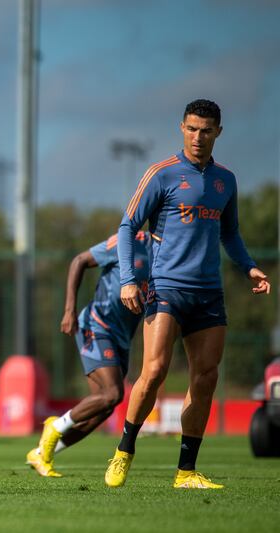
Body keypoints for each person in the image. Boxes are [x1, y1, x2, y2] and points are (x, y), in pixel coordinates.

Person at [104, 99, 271, 489]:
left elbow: (230, 232)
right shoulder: (161, 174)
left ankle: (186, 472)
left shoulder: (225, 181)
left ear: (218, 133)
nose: (198, 137)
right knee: (155, 371)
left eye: (206, 130)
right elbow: (128, 226)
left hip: (209, 293)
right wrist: (129, 279)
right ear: (182, 128)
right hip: (166, 288)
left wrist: (249, 267)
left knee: (206, 377)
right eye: (192, 129)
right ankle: (124, 450)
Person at [28, 231, 150, 477]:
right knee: (114, 394)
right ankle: (55, 427)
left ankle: (42, 453)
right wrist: (69, 309)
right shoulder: (129, 240)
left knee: (103, 408)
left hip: (122, 338)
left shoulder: (173, 254)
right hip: (96, 326)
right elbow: (79, 261)